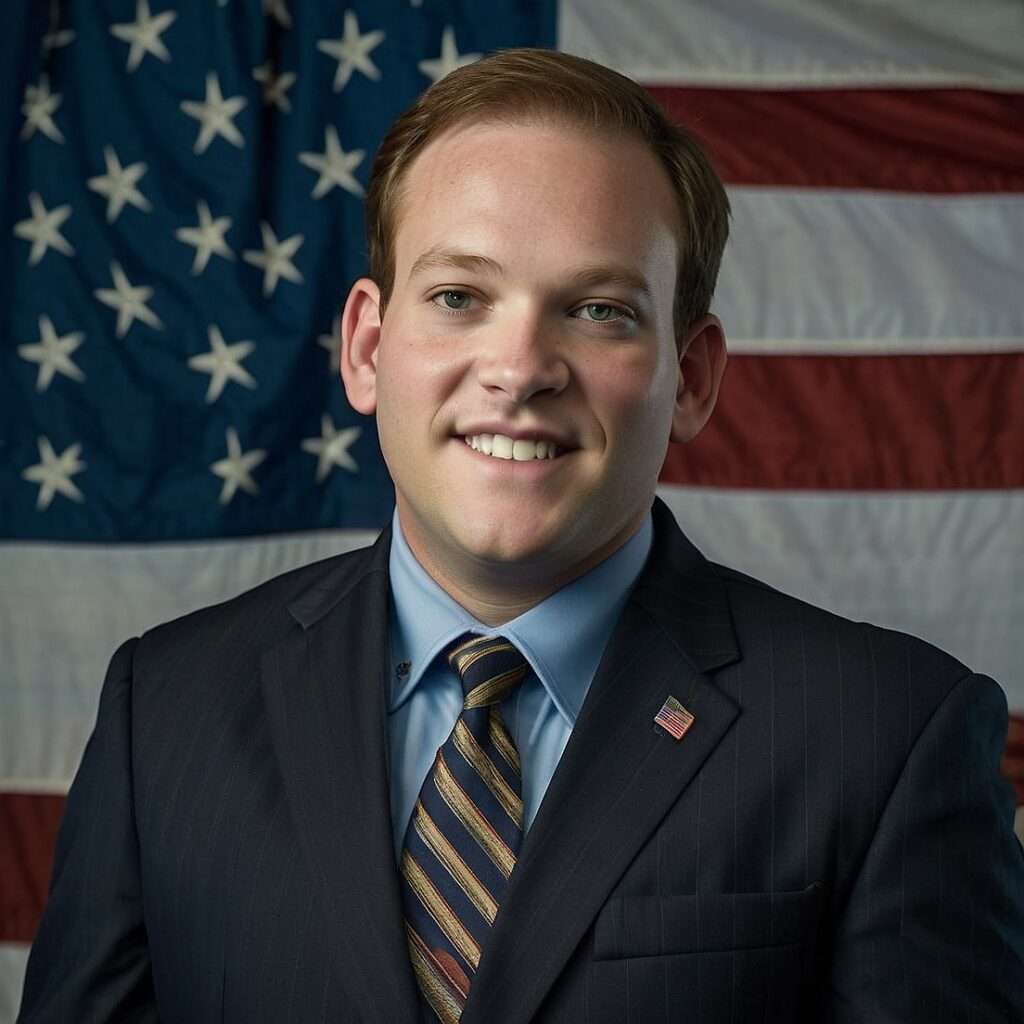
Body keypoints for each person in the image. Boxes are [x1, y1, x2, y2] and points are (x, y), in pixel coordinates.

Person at [19, 48, 1024, 1024]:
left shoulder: (887, 737)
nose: (519, 366)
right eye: (460, 297)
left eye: (597, 310)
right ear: (368, 349)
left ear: (695, 378)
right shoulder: (168, 711)